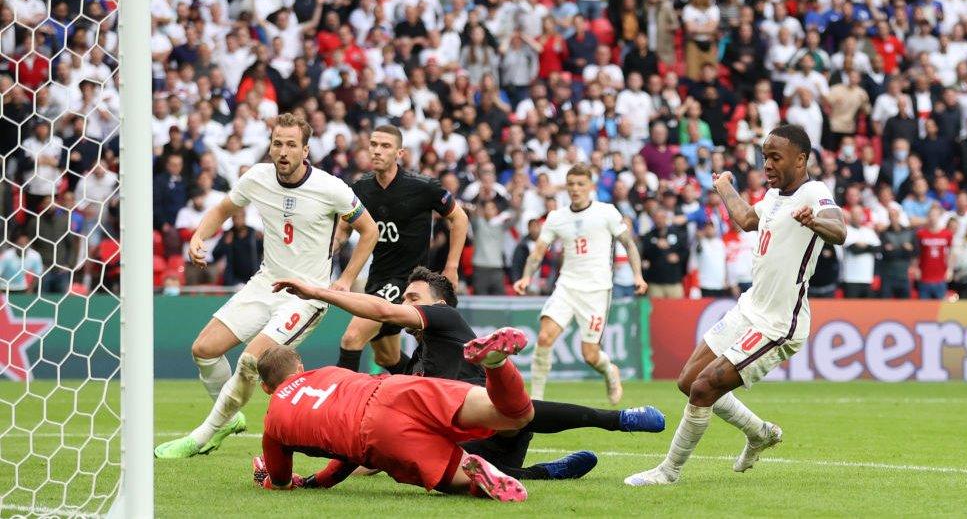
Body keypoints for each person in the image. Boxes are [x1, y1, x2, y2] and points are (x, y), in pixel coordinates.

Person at [266, 267, 665, 484]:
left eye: (413, 297)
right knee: (440, 471)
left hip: (494, 415)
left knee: (510, 412)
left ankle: (619, 419)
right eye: (406, 297)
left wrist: (318, 292)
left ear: (436, 302)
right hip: (472, 438)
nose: (406, 303)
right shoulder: (417, 361)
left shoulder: (444, 317)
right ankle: (543, 474)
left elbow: (384, 313)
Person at [625, 125, 846, 486]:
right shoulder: (775, 196)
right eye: (765, 157)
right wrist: (724, 186)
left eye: (776, 157)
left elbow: (839, 230)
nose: (768, 165)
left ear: (801, 159)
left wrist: (816, 221)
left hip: (777, 323)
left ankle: (669, 472)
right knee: (688, 382)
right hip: (749, 308)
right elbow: (746, 219)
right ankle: (759, 432)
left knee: (703, 389)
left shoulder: (815, 192)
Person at [153, 114, 379, 459]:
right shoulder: (257, 178)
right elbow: (223, 209)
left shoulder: (331, 188)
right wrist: (199, 236)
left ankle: (203, 435)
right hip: (265, 284)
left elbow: (370, 231)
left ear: (306, 151)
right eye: (277, 143)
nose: (283, 151)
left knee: (249, 361)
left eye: (291, 145)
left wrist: (345, 280)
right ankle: (227, 418)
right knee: (204, 349)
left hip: (305, 297)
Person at [251, 332, 534, 501]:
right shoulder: (326, 372)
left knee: (457, 480)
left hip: (376, 431)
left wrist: (287, 479)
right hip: (396, 388)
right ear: (300, 368)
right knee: (515, 416)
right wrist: (323, 480)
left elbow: (281, 483)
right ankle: (496, 364)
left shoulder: (273, 423)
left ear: (265, 387)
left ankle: (473, 475)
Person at [334, 125, 469, 373]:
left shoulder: (423, 186)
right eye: (373, 144)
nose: (376, 151)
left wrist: (451, 267)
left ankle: (339, 406)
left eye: (385, 146)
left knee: (352, 338)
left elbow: (459, 219)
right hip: (378, 279)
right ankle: (422, 393)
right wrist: (331, 248)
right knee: (387, 357)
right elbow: (344, 228)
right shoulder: (361, 188)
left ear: (399, 153)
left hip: (408, 281)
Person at [513, 163, 648, 403]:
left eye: (581, 184)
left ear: (591, 187)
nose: (575, 189)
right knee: (544, 337)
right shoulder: (556, 218)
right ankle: (536, 400)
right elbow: (538, 252)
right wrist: (526, 276)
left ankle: (610, 371)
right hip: (566, 287)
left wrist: (637, 275)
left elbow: (628, 244)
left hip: (596, 290)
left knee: (590, 355)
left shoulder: (606, 212)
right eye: (571, 184)